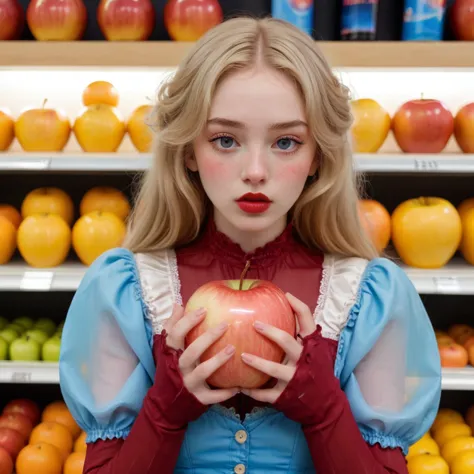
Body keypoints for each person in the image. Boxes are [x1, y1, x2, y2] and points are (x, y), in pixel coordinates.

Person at [59, 16, 442, 474]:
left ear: (318, 153)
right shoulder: (122, 291)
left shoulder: (373, 296)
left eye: (286, 141)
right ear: (187, 150)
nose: (256, 170)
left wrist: (325, 411)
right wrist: (164, 411)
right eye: (225, 140)